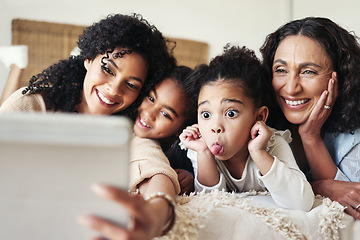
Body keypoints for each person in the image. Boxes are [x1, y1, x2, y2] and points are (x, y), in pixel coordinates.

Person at [179, 45, 314, 211]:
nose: (215, 127)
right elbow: (208, 203)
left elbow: (302, 203)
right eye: (206, 115)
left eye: (231, 113)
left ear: (259, 117)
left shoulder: (272, 145)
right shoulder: (201, 148)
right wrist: (204, 154)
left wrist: (259, 153)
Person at [78, 66, 198, 239]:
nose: (149, 113)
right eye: (150, 98)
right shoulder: (119, 117)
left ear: (182, 128)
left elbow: (154, 169)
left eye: (165, 113)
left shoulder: (175, 147)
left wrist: (157, 211)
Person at [260, 16, 360, 220]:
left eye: (308, 71)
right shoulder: (261, 130)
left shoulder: (354, 138)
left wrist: (310, 136)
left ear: (340, 76)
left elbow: (352, 202)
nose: (291, 88)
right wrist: (319, 187)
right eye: (281, 70)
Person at [0, 13, 175, 121]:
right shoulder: (30, 106)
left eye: (131, 85)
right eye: (107, 69)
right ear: (88, 59)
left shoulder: (132, 132)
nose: (114, 90)